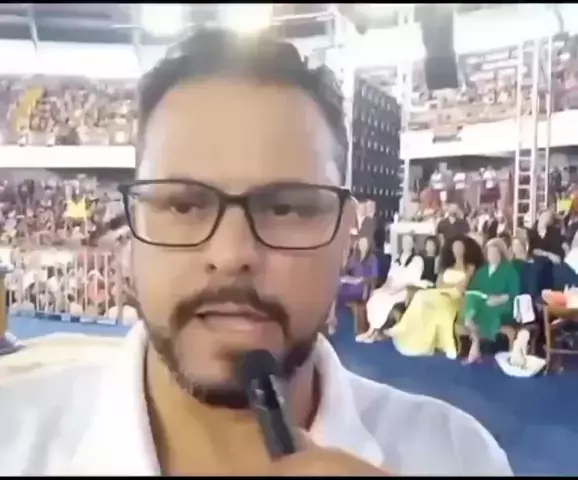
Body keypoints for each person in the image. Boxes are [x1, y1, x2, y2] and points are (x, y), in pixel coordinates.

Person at [0, 28, 512, 476]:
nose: (231, 254)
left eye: (286, 208)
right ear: (130, 232)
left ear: (345, 237)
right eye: (183, 205)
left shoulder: (458, 457)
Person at [387, 235, 483, 359]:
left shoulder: (470, 267)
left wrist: (448, 288)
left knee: (426, 296)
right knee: (421, 295)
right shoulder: (447, 267)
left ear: (465, 249)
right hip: (441, 295)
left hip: (458, 298)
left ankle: (402, 326)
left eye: (460, 247)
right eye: (455, 248)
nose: (457, 250)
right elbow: (439, 284)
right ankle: (406, 329)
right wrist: (447, 288)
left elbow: (462, 286)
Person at [460, 238, 521, 365]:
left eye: (495, 253)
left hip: (504, 304)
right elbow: (473, 289)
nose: (492, 256)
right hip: (483, 303)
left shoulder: (510, 270)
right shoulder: (482, 271)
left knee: (480, 313)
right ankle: (475, 343)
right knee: (471, 304)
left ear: (501, 254)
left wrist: (499, 299)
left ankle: (475, 346)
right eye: (489, 253)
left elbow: (514, 293)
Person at [356, 234, 424, 343]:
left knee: (387, 300)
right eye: (405, 241)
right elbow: (390, 279)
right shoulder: (396, 260)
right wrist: (383, 288)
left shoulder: (417, 260)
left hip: (406, 288)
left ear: (413, 244)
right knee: (376, 296)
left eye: (409, 242)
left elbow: (413, 280)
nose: (406, 244)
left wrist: (395, 290)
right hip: (392, 286)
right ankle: (371, 330)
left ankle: (374, 333)